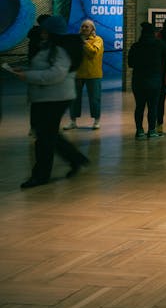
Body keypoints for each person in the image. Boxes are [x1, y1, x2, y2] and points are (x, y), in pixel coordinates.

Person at [6, 15, 90, 189]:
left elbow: (56, 74)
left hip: (54, 98)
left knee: (44, 138)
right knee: (47, 134)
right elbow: (46, 69)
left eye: (44, 29)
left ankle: (41, 175)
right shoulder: (50, 47)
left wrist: (27, 75)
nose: (41, 32)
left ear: (51, 32)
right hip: (47, 97)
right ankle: (76, 159)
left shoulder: (60, 50)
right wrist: (26, 70)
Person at [128, 22, 166, 138]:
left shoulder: (136, 46)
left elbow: (131, 63)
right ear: (153, 33)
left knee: (139, 107)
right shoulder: (158, 44)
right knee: (153, 107)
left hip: (138, 81)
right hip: (154, 80)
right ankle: (152, 131)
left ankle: (139, 131)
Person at [64, 18, 104, 130]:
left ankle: (96, 121)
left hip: (93, 74)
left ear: (92, 29)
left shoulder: (98, 40)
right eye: (83, 26)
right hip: (77, 74)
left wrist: (83, 43)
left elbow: (93, 53)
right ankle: (73, 121)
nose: (84, 28)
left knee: (95, 99)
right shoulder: (76, 40)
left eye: (87, 26)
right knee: (74, 99)